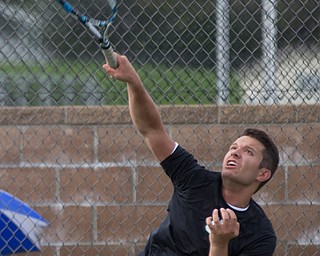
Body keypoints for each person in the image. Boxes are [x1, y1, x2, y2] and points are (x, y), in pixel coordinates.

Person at [103, 54, 280, 256]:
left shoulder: (260, 235)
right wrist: (134, 82)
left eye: (248, 152)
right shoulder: (194, 179)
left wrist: (219, 244)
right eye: (233, 147)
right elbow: (152, 129)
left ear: (263, 174)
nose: (235, 153)